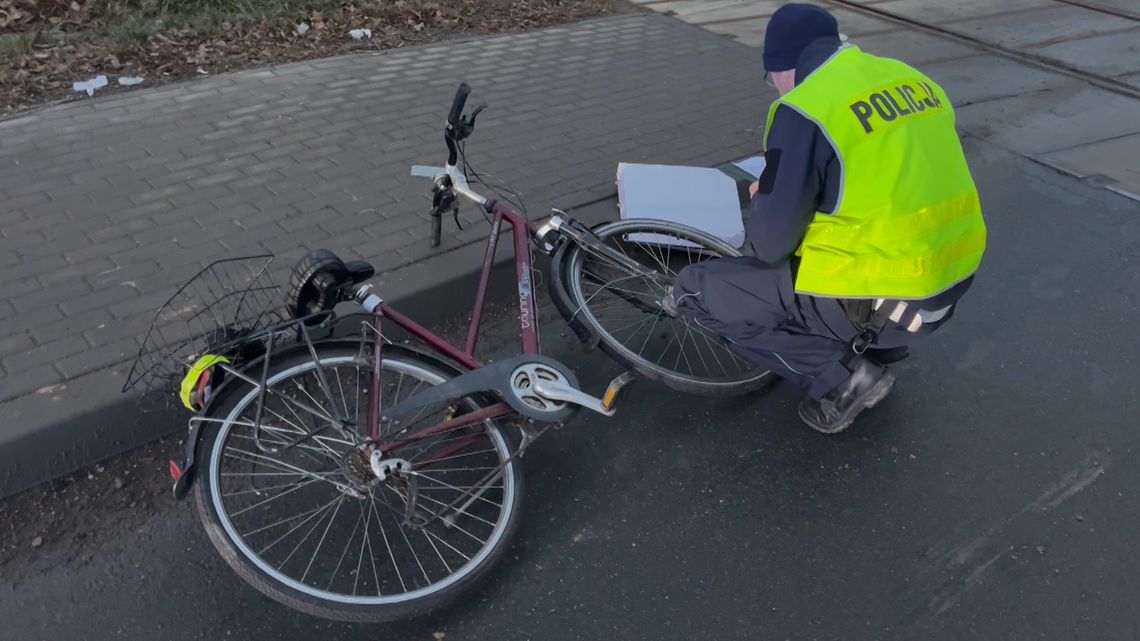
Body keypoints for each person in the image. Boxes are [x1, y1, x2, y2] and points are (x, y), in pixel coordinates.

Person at [669, 3, 987, 434]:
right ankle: (869, 349)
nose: (777, 90)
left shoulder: (806, 108)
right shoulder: (911, 78)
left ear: (783, 67)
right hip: (947, 286)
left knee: (697, 290)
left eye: (772, 79)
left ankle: (843, 380)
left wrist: (770, 196)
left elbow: (768, 245)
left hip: (881, 307)